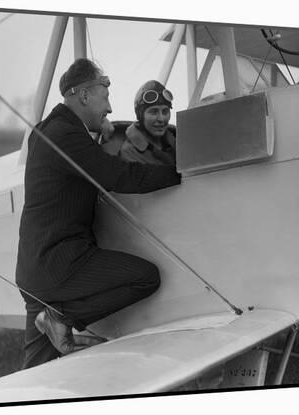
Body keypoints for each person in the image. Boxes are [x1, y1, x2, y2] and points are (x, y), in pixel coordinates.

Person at [15, 58, 181, 369]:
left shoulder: (50, 129)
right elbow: (119, 176)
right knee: (146, 277)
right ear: (84, 96)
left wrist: (97, 132)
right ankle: (61, 316)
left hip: (33, 270)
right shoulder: (65, 135)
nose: (109, 107)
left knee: (36, 375)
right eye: (105, 97)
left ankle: (52, 318)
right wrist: (180, 172)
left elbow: (81, 161)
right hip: (60, 263)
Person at [110, 80, 176, 165]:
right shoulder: (129, 153)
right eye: (154, 112)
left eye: (165, 111)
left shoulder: (175, 142)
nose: (161, 119)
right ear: (140, 115)